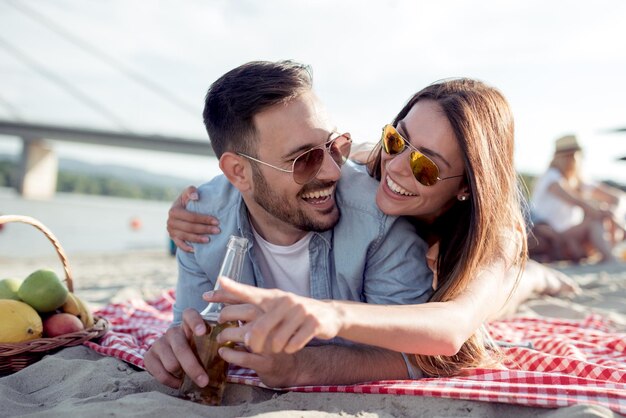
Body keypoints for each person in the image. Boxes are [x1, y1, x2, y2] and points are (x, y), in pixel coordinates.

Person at [169, 77, 579, 378]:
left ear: (467, 188)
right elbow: (274, 166)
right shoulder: (372, 166)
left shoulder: (497, 236)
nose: (397, 167)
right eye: (398, 141)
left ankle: (542, 276)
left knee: (509, 293)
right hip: (412, 266)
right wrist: (210, 200)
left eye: (426, 166)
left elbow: (453, 328)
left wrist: (330, 316)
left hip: (467, 268)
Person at [144, 61, 434, 389]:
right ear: (239, 172)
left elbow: (419, 355)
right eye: (304, 159)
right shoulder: (199, 223)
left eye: (335, 147)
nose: (332, 172)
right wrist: (177, 347)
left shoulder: (379, 218)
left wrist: (302, 367)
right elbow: (192, 331)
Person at [530, 135, 626, 263]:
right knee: (595, 221)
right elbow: (577, 201)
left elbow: (618, 197)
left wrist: (613, 213)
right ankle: (609, 258)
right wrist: (603, 212)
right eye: (568, 156)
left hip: (572, 233)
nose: (571, 160)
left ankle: (609, 256)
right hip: (552, 235)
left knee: (602, 217)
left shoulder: (579, 179)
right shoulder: (551, 177)